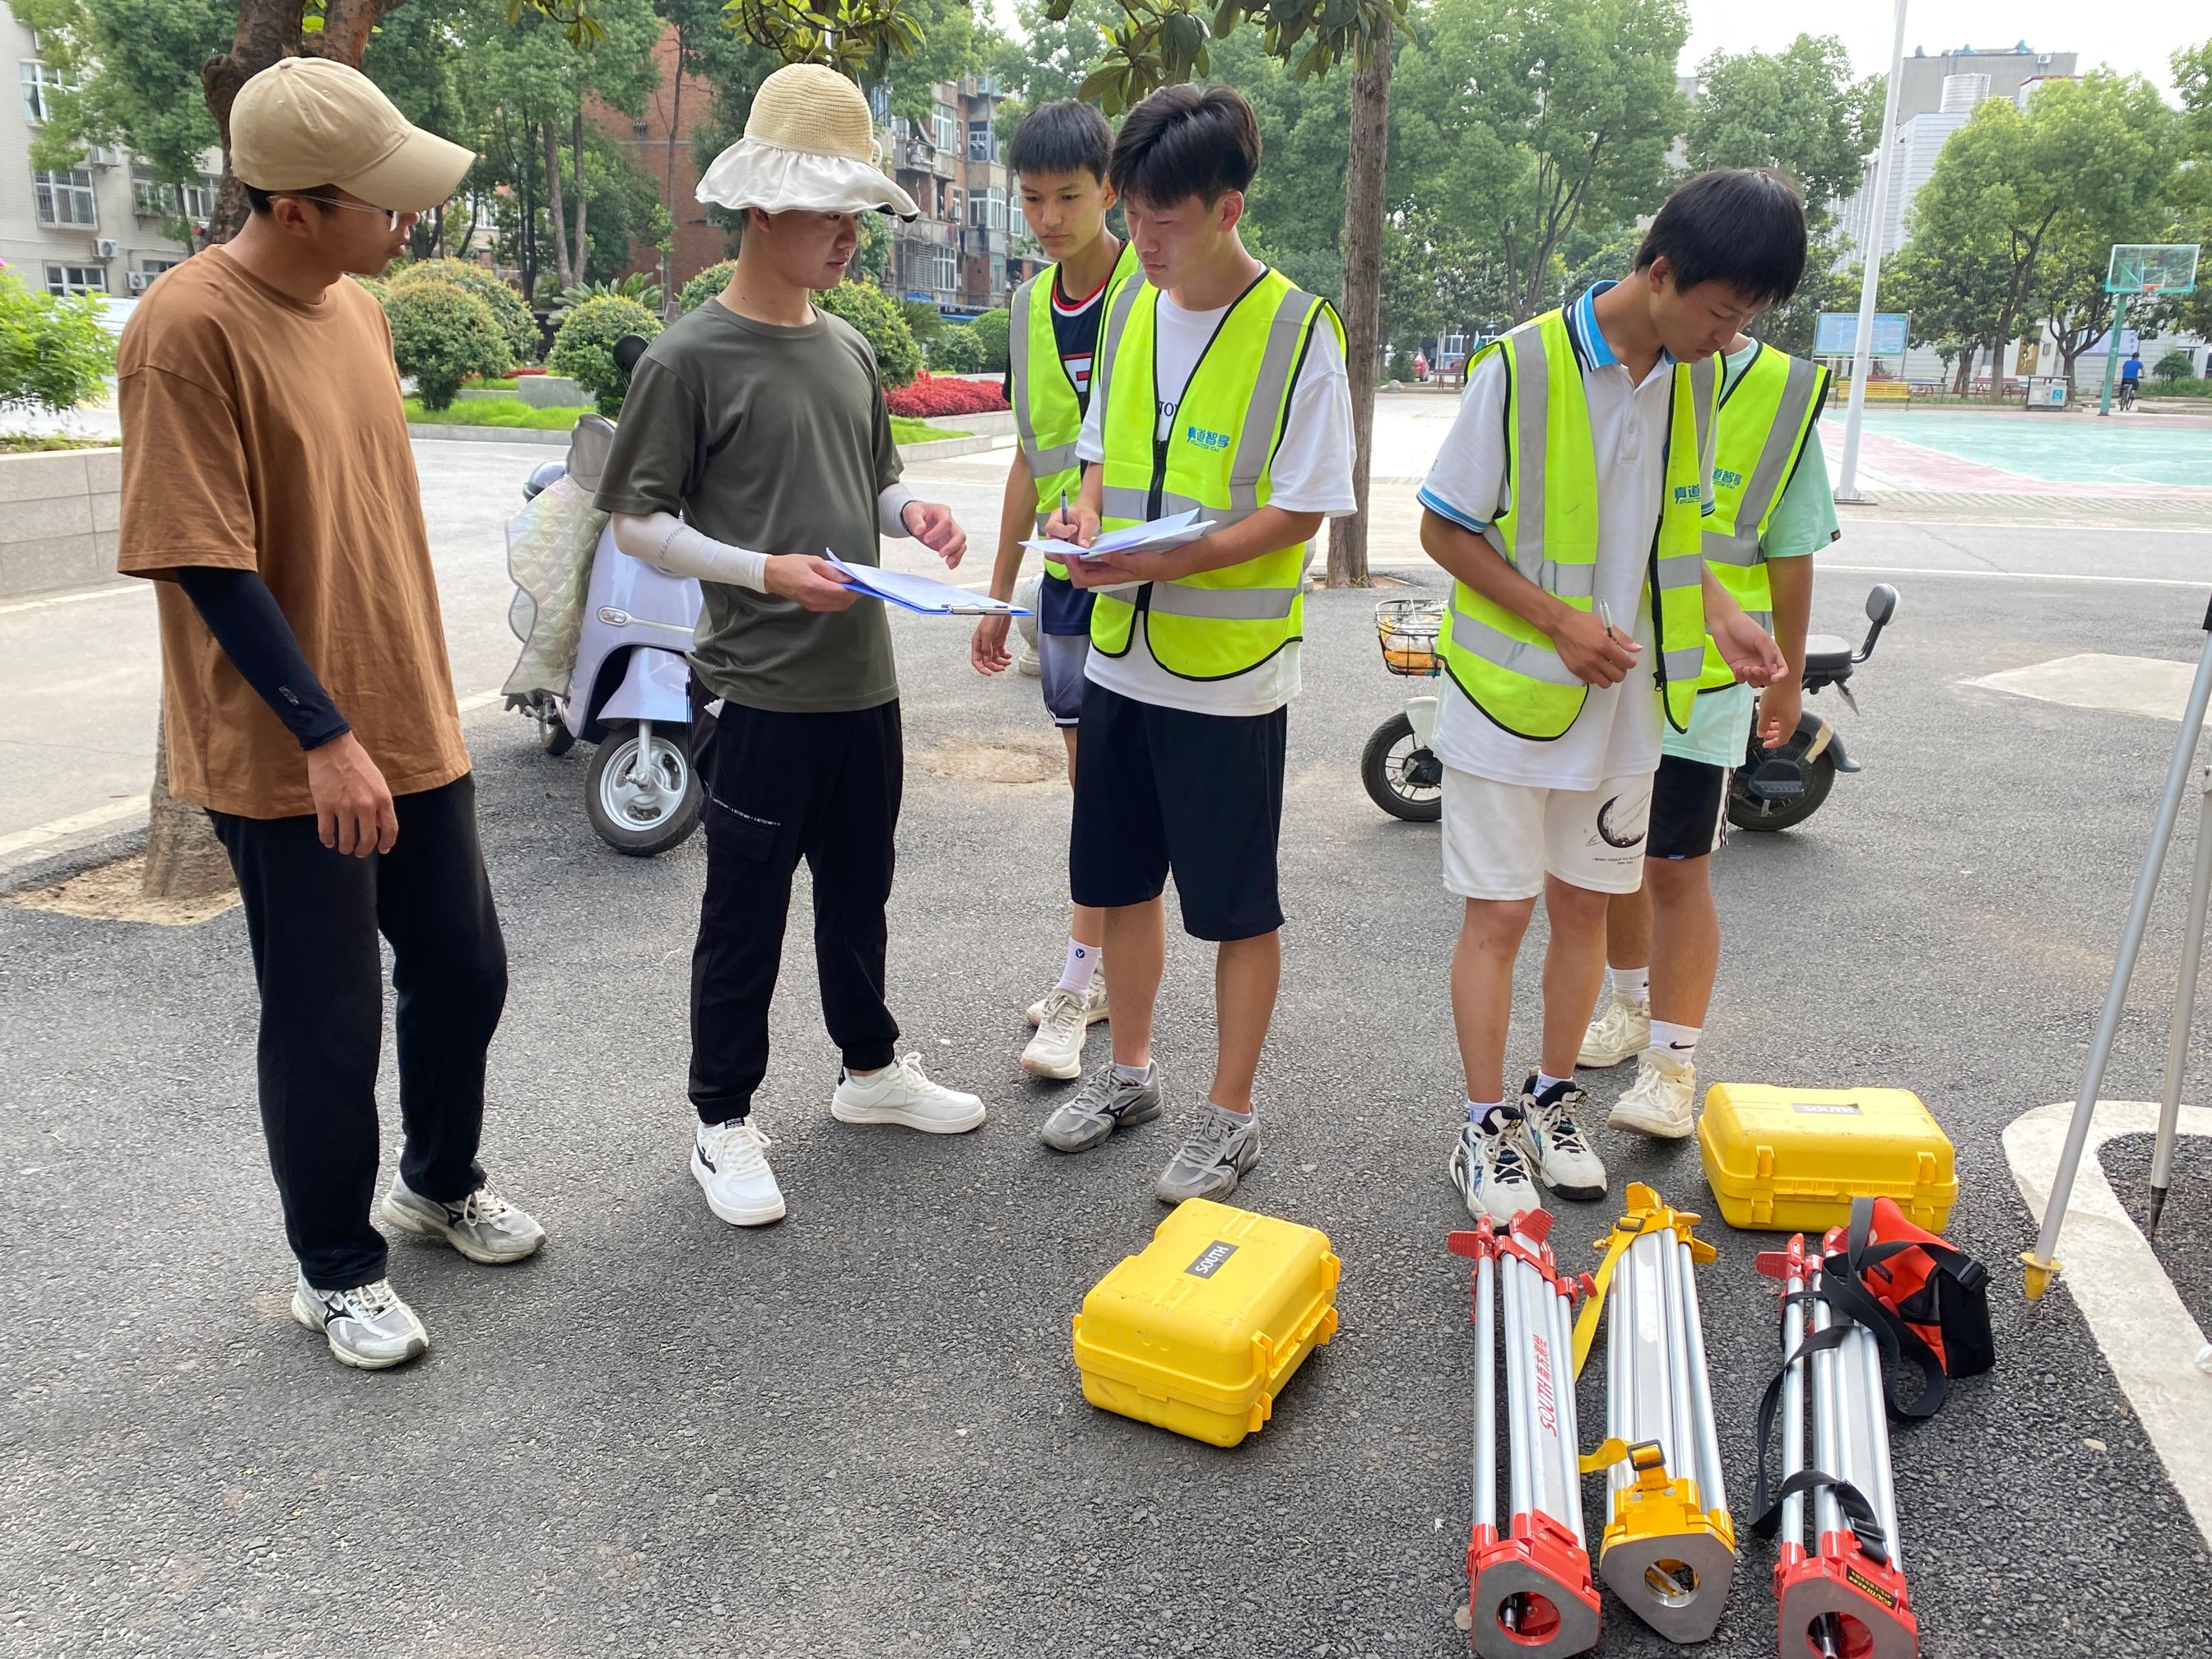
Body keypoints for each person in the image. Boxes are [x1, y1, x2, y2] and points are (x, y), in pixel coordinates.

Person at [114, 59, 542, 1372]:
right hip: (286, 752)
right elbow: (206, 559)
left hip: (404, 715)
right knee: (325, 1016)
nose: (405, 223)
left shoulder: (357, 308)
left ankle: (436, 1180)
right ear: (292, 206)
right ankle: (334, 1268)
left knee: (466, 969)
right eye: (383, 203)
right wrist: (322, 735)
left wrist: (389, 715)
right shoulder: (184, 329)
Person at [594, 64, 983, 1230]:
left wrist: (907, 515)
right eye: (830, 212)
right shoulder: (687, 357)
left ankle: (871, 1072)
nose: (849, 238)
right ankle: (721, 1119)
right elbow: (638, 522)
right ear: (762, 209)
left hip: (861, 682)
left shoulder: (850, 350)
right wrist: (763, 573)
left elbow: (864, 487)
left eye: (857, 215)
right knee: (745, 913)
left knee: (859, 892)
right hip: (757, 691)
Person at [1415, 168, 1801, 1224]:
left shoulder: (1691, 380)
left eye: (1748, 321)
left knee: (1584, 903)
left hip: (1625, 703)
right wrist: (1558, 621)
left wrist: (1723, 613)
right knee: (1500, 912)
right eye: (1724, 313)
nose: (1732, 339)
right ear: (1663, 274)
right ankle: (1484, 1124)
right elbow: (1443, 529)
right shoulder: (1523, 365)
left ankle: (1552, 1099)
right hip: (1508, 697)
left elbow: (1674, 536)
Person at [1034, 85, 1357, 1202]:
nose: (1140, 244)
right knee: (1118, 885)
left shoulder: (1299, 329)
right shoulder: (1130, 306)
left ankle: (1231, 1114)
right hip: (1120, 647)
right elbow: (1094, 450)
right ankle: (1129, 1072)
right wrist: (1084, 519)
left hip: (1230, 679)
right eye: (1130, 219)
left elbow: (1305, 508)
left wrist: (1169, 560)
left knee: (1232, 907)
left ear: (1228, 208)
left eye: (1163, 224)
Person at [1581, 331, 1836, 1136]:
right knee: (1610, 856)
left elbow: (1791, 554)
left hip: (1709, 678)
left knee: (1676, 867)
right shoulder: (1623, 360)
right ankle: (1629, 1008)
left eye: (1742, 299)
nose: (1723, 317)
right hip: (1609, 663)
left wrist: (1789, 677)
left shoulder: (1785, 393)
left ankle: (1671, 1067)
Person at [969, 100, 1141, 1081]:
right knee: (1091, 788)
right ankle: (1097, 971)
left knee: (1112, 792)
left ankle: (1081, 981)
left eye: (1067, 196)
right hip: (1067, 580)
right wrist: (1001, 595)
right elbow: (1031, 461)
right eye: (1030, 199)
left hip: (1148, 575)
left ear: (1109, 190)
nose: (1046, 217)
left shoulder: (1149, 293)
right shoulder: (1031, 308)